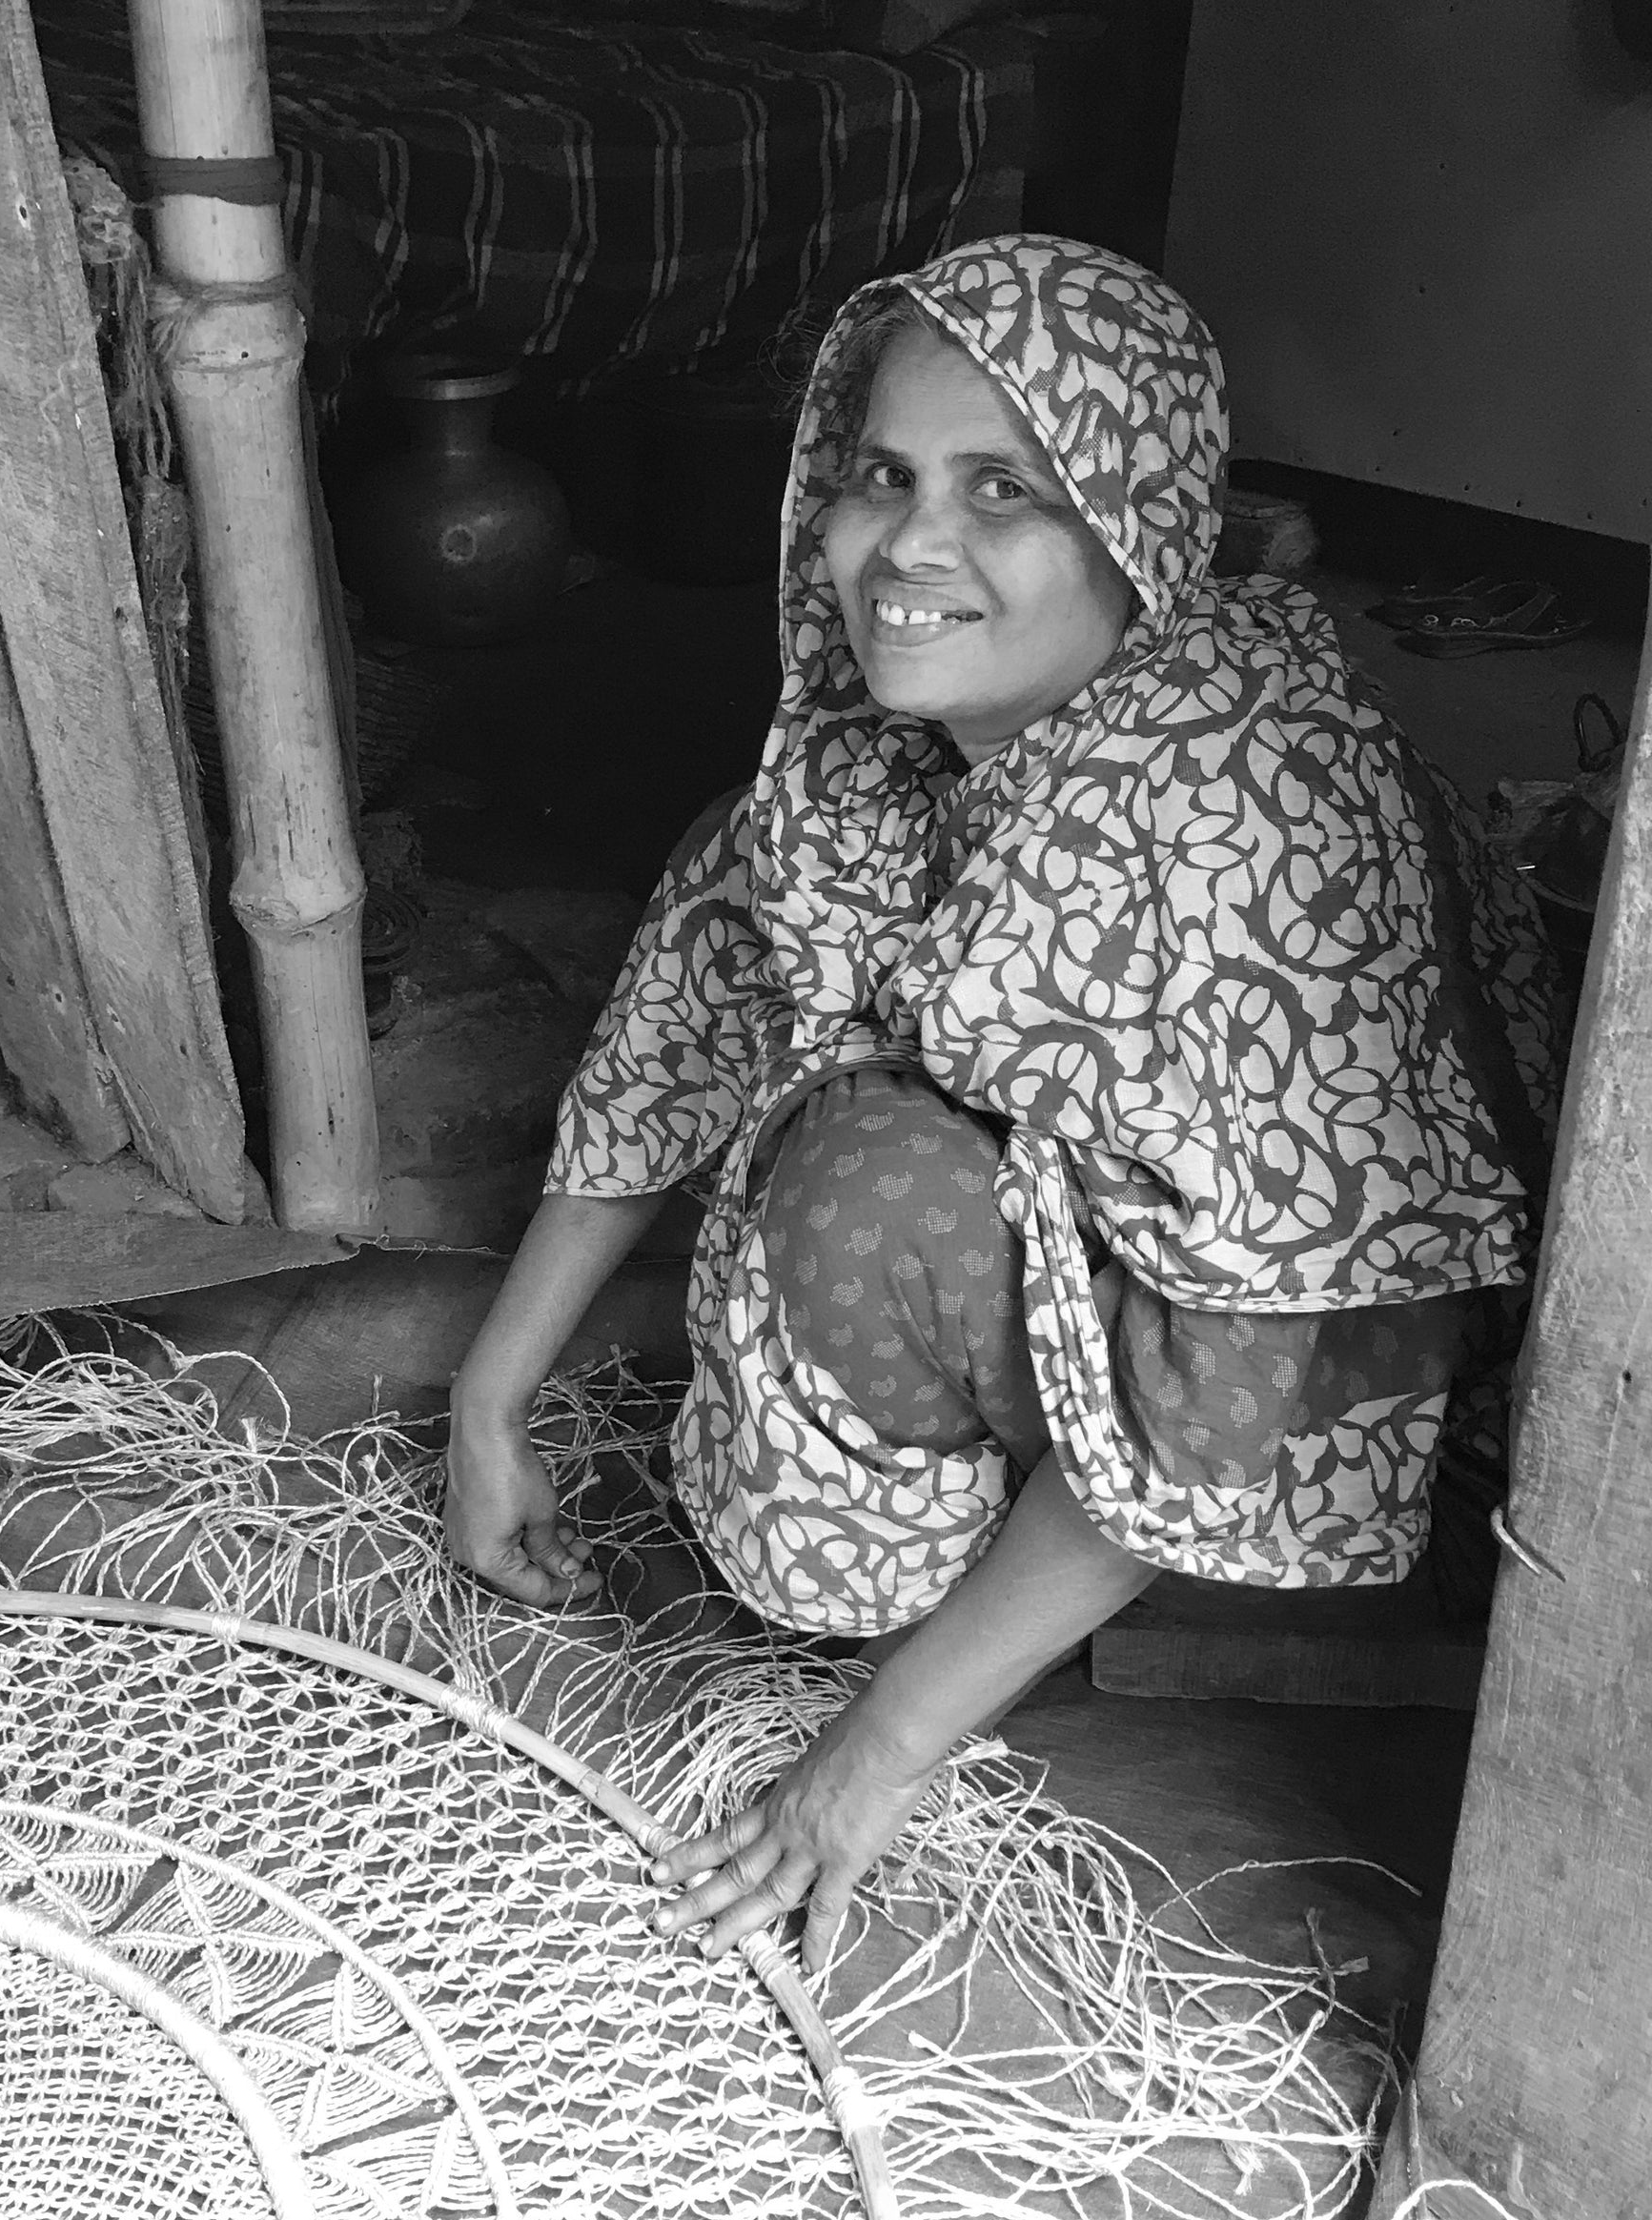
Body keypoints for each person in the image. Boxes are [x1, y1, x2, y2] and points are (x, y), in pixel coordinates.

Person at [444, 234, 1545, 1979]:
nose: (912, 548)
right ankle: (1007, 1498)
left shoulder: (1233, 831)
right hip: (1144, 1317)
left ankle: (1128, 1588)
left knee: (863, 1188)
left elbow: (1233, 1379)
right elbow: (691, 1006)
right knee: (786, 981)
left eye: (1004, 492)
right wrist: (491, 1399)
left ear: (1134, 529)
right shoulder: (883, 751)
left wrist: (868, 1757)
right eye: (882, 477)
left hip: (1316, 1391)